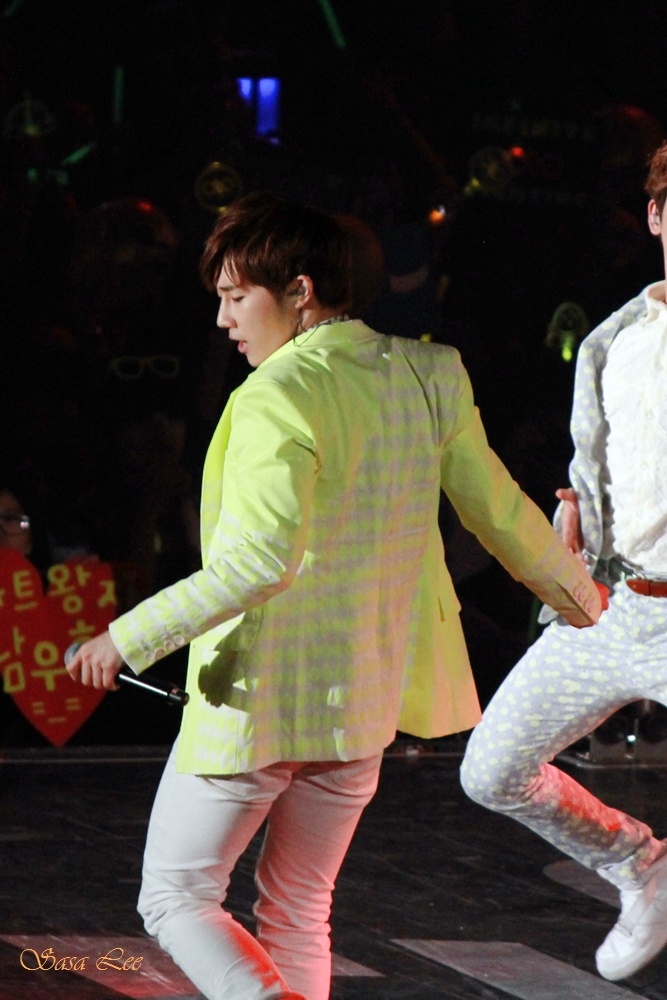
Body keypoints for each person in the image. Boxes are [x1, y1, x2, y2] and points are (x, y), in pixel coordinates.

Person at [66, 191, 600, 1000]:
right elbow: (496, 511)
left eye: (235, 296)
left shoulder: (275, 394)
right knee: (299, 910)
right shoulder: (429, 372)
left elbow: (258, 564)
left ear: (301, 291)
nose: (222, 319)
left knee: (175, 898)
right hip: (360, 702)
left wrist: (125, 638)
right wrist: (581, 598)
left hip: (259, 702)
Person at [461, 139, 667, 984]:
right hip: (616, 605)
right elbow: (597, 459)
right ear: (655, 216)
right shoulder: (612, 341)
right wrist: (576, 513)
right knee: (492, 770)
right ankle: (641, 867)